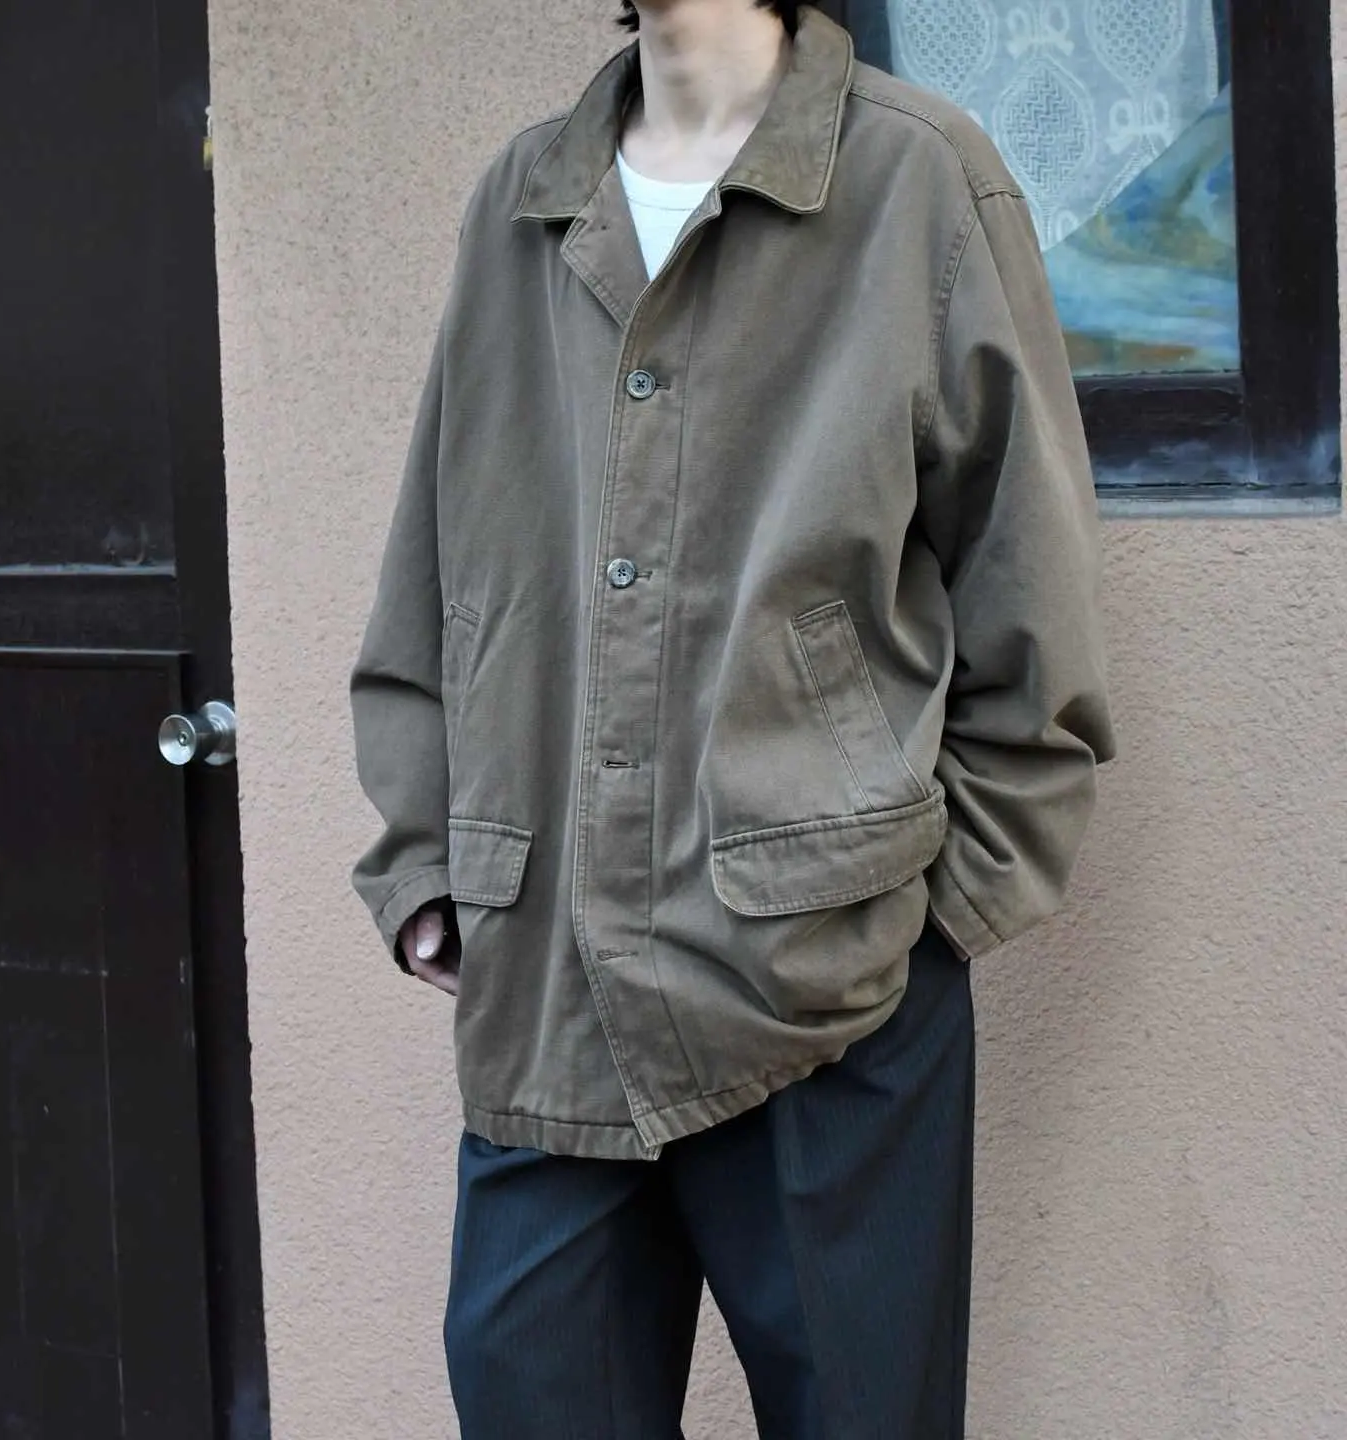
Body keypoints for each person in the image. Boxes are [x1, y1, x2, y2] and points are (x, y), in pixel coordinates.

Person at [350, 1, 1116, 1434]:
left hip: (829, 997)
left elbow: (1032, 585)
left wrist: (932, 921)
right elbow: (439, 566)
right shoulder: (527, 196)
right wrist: (427, 864)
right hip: (549, 996)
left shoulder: (917, 179)